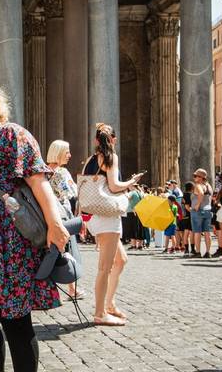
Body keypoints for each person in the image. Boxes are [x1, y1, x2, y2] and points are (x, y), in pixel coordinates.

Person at [0, 80, 69, 371]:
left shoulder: (12, 133)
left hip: (7, 247)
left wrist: (55, 224)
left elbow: (37, 179)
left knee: (15, 321)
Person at [82, 123, 143, 326]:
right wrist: (131, 182)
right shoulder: (110, 158)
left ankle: (109, 303)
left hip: (93, 215)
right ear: (113, 140)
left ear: (96, 141)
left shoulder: (89, 160)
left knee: (121, 259)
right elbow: (115, 186)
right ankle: (100, 312)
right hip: (107, 215)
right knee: (105, 267)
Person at [46, 139, 85, 299]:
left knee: (52, 252)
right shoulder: (61, 172)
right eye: (67, 152)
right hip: (63, 214)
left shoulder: (44, 170)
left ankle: (51, 291)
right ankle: (72, 289)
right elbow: (71, 193)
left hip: (49, 214)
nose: (69, 155)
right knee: (68, 249)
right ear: (59, 153)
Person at [190, 168, 214, 258]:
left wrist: (197, 205)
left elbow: (201, 194)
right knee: (207, 232)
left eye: (195, 176)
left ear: (200, 177)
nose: (194, 178)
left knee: (197, 232)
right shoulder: (209, 186)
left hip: (198, 211)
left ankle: (198, 252)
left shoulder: (198, 185)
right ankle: (208, 252)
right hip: (208, 210)